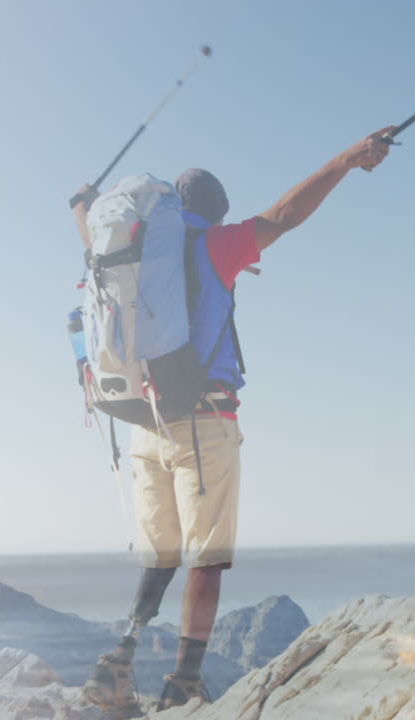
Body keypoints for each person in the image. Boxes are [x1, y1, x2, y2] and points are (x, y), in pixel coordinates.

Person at [70, 126, 394, 716]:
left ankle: (118, 658)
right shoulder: (218, 246)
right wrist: (346, 159)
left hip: (143, 422)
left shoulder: (124, 251)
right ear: (215, 215)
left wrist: (83, 202)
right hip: (204, 422)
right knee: (207, 555)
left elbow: (85, 220)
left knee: (160, 554)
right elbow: (285, 214)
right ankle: (184, 681)